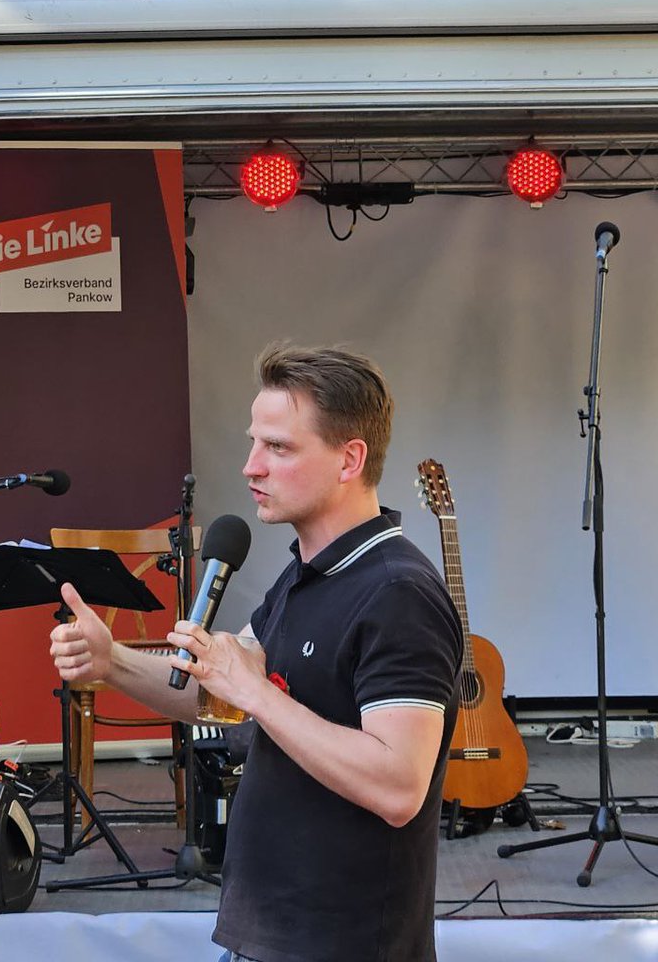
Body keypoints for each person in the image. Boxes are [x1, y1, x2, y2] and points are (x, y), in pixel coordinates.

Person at [51, 343, 463, 962]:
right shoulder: (307, 574)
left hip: (343, 944)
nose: (251, 467)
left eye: (278, 447)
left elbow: (399, 786)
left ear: (350, 458)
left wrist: (258, 694)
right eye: (254, 443)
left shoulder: (397, 592)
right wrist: (113, 662)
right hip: (271, 935)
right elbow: (214, 690)